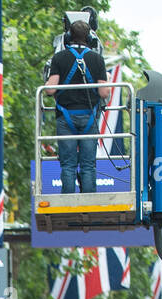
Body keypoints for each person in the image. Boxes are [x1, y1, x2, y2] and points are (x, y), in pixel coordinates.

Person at [44, 10, 109, 194]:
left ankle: (68, 202)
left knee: (68, 165)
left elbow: (50, 89)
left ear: (67, 37)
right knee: (88, 165)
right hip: (89, 118)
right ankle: (89, 203)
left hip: (66, 118)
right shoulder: (97, 59)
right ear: (89, 38)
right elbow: (104, 93)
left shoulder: (59, 58)